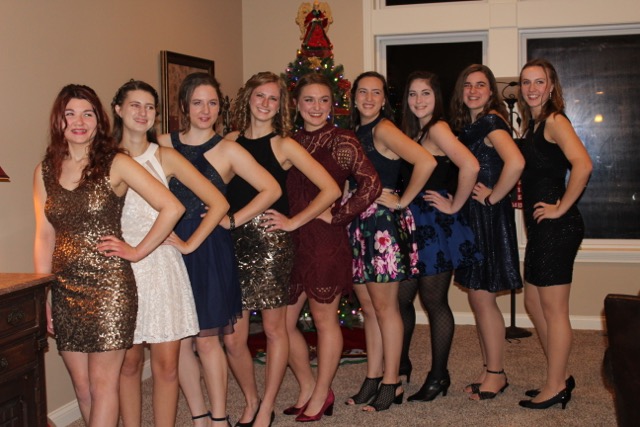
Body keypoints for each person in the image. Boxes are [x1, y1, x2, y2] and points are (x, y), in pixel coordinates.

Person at [33, 84, 184, 426]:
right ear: (59, 121)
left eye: (87, 113)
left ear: (99, 120)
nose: (78, 121)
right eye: (69, 113)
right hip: (64, 290)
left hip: (109, 289)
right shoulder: (45, 171)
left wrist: (136, 251)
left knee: (104, 385)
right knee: (83, 388)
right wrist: (42, 293)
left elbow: (171, 206)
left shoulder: (115, 163)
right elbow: (44, 235)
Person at [157, 72, 281, 426]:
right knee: (179, 341)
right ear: (183, 106)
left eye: (212, 103)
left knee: (208, 341)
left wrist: (232, 220)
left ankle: (219, 418)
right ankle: (198, 417)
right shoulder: (163, 143)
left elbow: (270, 190)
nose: (205, 110)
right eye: (197, 102)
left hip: (210, 248)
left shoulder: (228, 149)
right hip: (169, 245)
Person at [223, 71, 340, 427]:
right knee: (233, 338)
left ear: (281, 106)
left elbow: (330, 190)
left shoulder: (285, 145)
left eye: (273, 98)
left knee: (275, 331)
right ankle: (251, 398)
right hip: (231, 240)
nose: (266, 103)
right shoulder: (229, 140)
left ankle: (267, 405)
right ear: (248, 98)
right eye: (260, 95)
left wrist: (292, 222)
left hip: (271, 244)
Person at [111, 80, 230, 426]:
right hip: (123, 271)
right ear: (118, 110)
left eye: (149, 107)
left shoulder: (165, 156)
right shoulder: (103, 159)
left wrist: (190, 244)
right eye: (135, 105)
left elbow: (219, 202)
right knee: (129, 364)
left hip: (162, 269)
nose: (142, 113)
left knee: (166, 366)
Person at [282, 72, 382, 422]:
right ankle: (309, 385)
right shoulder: (286, 141)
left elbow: (371, 183)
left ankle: (322, 392)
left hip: (325, 241)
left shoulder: (343, 140)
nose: (316, 107)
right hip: (290, 240)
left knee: (324, 320)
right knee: (281, 323)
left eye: (324, 100)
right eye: (309, 100)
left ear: (332, 105)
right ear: (296, 104)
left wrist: (339, 215)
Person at [346, 71, 436, 412]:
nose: (369, 98)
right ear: (354, 97)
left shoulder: (383, 128)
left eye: (376, 93)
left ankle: (392, 381)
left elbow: (425, 161)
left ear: (384, 99)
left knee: (385, 308)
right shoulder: (356, 132)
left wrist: (402, 199)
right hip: (358, 224)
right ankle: (373, 376)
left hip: (382, 225)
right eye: (363, 92)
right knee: (368, 308)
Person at [396, 71, 482, 402]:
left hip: (433, 226)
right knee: (401, 299)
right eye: (413, 94)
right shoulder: (412, 131)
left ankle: (438, 376)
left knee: (433, 301)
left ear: (437, 98)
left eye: (426, 94)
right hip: (409, 224)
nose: (418, 100)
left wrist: (454, 204)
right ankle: (401, 365)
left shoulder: (438, 128)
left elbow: (470, 166)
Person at [516, 59, 592, 410]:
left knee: (554, 309)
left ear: (550, 87)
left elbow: (583, 163)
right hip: (541, 228)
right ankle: (558, 376)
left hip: (558, 226)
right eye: (526, 82)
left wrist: (560, 206)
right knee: (533, 302)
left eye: (539, 82)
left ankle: (555, 385)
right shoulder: (531, 125)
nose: (532, 88)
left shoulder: (554, 121)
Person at [449, 64, 525, 401]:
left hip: (487, 218)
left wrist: (494, 196)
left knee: (483, 298)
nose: (473, 90)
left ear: (491, 91)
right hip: (472, 217)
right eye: (468, 85)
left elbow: (516, 162)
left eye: (481, 85)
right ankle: (489, 369)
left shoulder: (492, 122)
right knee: (479, 298)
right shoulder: (472, 126)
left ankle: (497, 374)